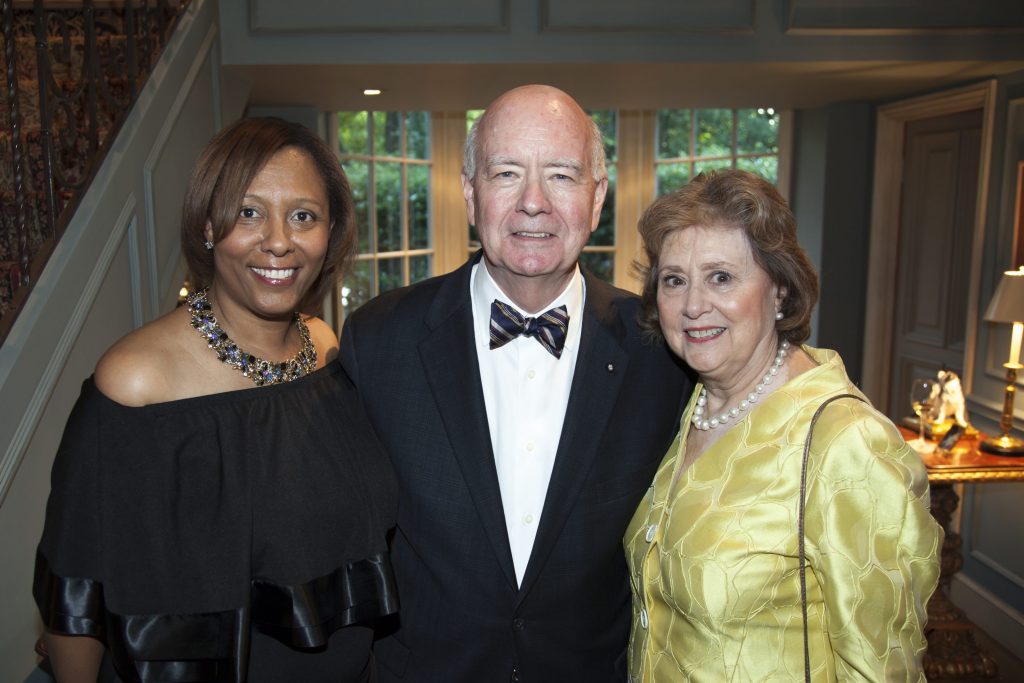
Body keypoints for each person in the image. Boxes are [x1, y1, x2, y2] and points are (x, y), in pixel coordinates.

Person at [340, 84, 693, 682]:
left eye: (561, 175)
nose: (534, 203)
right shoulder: (379, 340)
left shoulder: (660, 349)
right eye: (506, 173)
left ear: (597, 198)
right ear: (470, 193)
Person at [34, 118, 398, 683]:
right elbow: (76, 596)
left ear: (331, 233)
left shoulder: (325, 349)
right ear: (208, 225)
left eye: (303, 216)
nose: (278, 240)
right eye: (248, 212)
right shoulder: (137, 382)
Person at [625, 168, 942, 681]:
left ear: (779, 291)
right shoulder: (691, 403)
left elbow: (881, 667)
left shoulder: (846, 442)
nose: (693, 305)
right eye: (674, 280)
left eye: (721, 277)